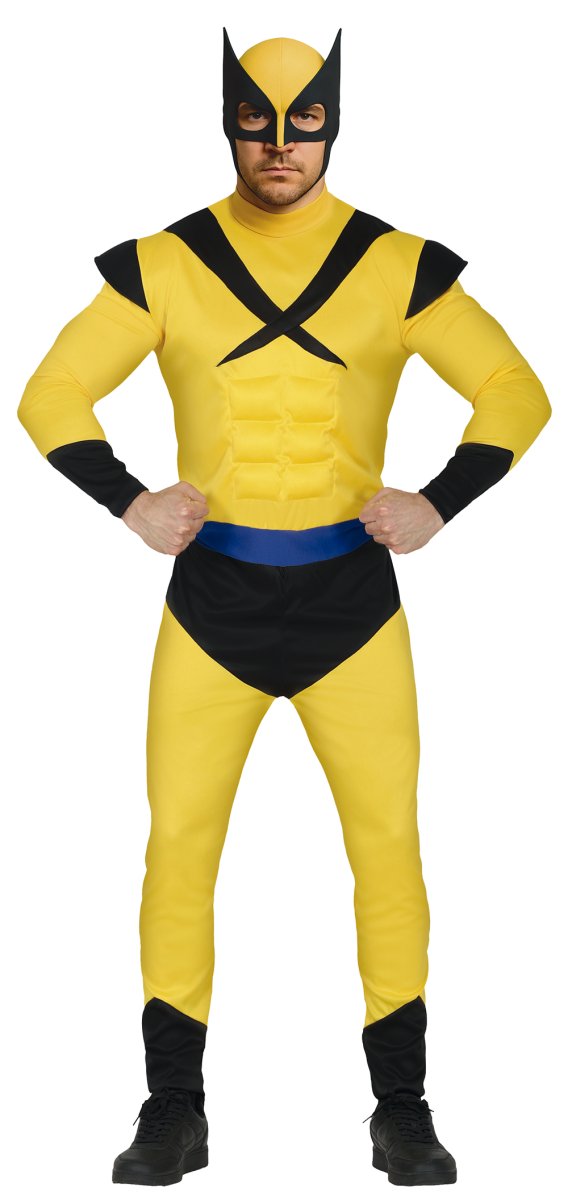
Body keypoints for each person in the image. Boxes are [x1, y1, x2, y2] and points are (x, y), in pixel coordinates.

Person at [17, 26, 551, 1189]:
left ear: (332, 123)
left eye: (301, 123)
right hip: (210, 599)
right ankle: (173, 1109)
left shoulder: (396, 264)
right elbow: (50, 394)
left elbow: (515, 389)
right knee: (179, 848)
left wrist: (440, 501)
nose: (277, 146)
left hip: (352, 600)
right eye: (255, 122)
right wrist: (127, 500)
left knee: (387, 846)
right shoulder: (165, 263)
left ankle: (402, 1109)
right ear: (227, 123)